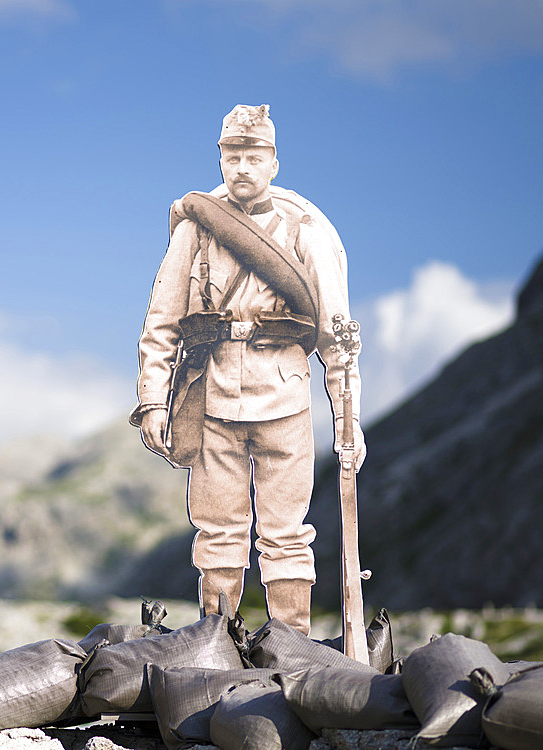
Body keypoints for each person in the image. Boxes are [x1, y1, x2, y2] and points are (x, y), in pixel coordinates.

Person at [130, 104, 365, 634]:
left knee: (286, 535)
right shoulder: (197, 227)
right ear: (220, 159)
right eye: (231, 155)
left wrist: (349, 417)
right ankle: (218, 644)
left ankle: (292, 647)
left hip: (284, 397)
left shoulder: (304, 231)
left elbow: (336, 335)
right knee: (217, 535)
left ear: (273, 163)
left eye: (253, 156)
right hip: (211, 397)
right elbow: (163, 318)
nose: (241, 167)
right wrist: (151, 398)